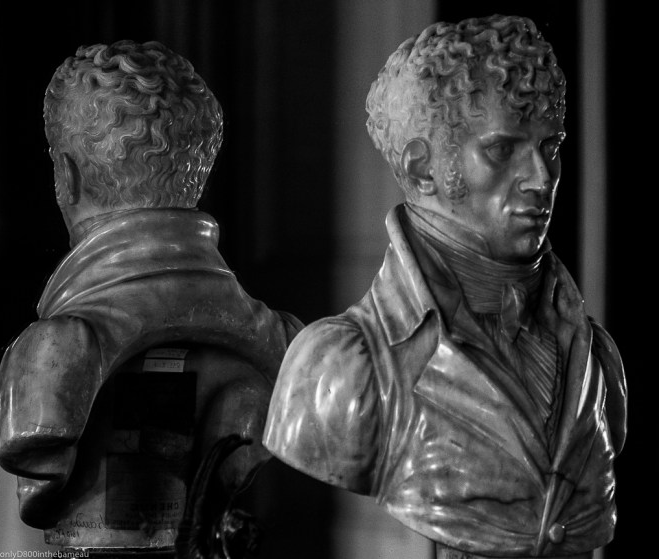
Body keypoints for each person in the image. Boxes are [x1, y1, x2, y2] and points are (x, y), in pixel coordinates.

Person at [263, 15, 626, 558]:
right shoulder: (343, 367)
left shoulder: (597, 360)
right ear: (422, 168)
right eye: (502, 150)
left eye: (550, 146)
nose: (541, 178)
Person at [0, 40, 300, 551]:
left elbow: (36, 467)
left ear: (66, 176)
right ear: (197, 174)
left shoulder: (51, 353)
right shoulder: (290, 345)